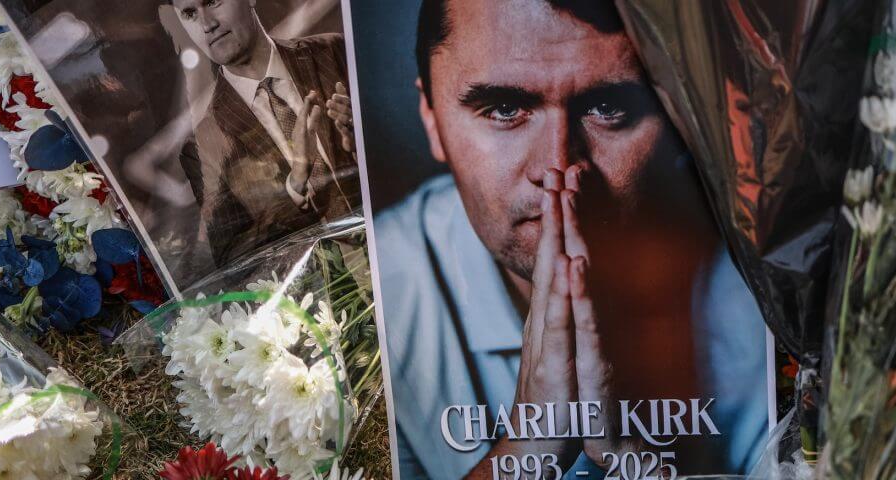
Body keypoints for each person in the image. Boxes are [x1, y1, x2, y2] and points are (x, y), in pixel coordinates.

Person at [372, 0, 773, 478]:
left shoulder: (763, 285)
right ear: (431, 117)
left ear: (681, 117)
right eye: (504, 108)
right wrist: (527, 450)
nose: (557, 167)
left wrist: (631, 458)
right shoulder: (376, 296)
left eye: (609, 108)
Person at [169, 0, 358, 267]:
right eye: (190, 14)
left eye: (212, 1)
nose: (207, 24)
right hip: (331, 289)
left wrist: (366, 136)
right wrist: (295, 185)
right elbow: (234, 259)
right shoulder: (202, 146)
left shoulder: (335, 50)